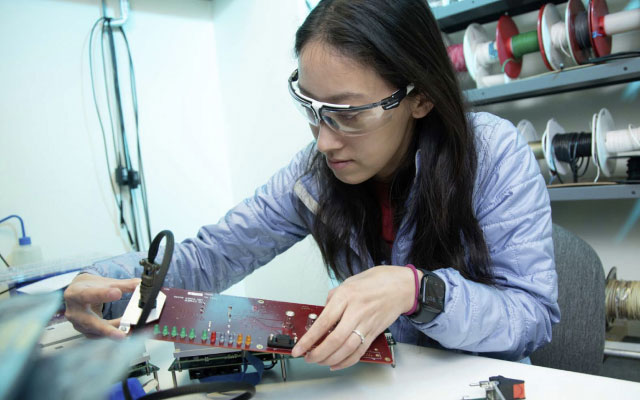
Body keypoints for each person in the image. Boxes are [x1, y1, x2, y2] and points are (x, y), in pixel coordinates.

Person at [64, 0, 559, 371]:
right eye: (311, 109)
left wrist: (419, 291)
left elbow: (531, 317)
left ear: (421, 97)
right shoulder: (316, 175)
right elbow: (207, 258)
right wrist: (101, 285)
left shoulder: (493, 155)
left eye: (347, 114)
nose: (324, 142)